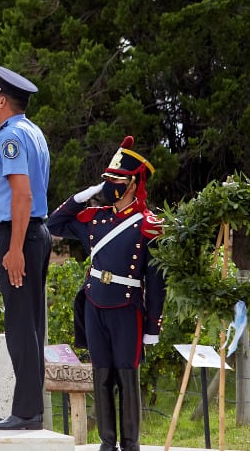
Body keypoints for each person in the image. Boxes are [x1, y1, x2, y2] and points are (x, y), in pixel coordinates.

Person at [48, 136, 165, 451]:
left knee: (126, 376)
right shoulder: (95, 218)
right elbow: (55, 224)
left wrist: (153, 326)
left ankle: (130, 443)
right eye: (107, 180)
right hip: (94, 304)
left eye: (116, 180)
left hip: (127, 309)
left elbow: (155, 281)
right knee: (101, 375)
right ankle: (106, 442)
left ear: (132, 185)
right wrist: (79, 198)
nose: (110, 186)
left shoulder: (149, 226)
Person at [0, 64, 51, 431]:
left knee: (20, 326)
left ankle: (26, 412)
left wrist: (15, 248)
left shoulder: (11, 137)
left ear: (3, 100)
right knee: (30, 325)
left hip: (19, 234)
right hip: (33, 232)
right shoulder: (32, 132)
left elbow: (21, 195)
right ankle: (29, 408)